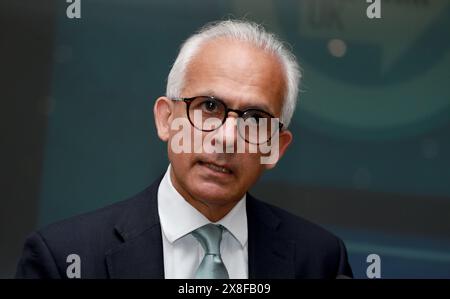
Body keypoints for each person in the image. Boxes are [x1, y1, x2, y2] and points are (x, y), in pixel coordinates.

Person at [15, 19, 353, 279]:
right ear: (165, 119)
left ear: (275, 147)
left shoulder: (319, 260)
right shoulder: (64, 258)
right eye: (208, 106)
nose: (227, 137)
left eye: (254, 117)